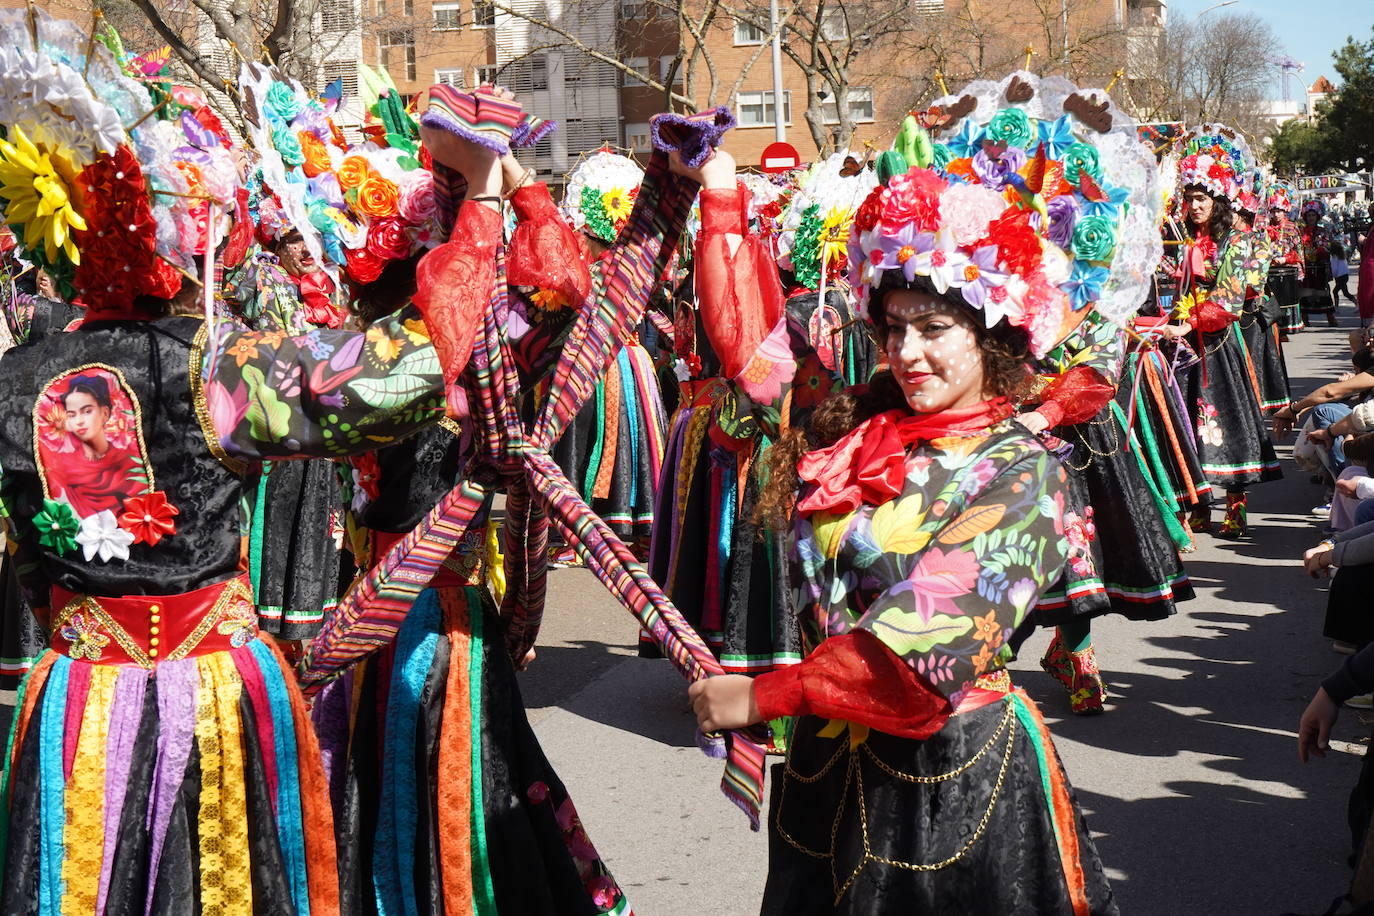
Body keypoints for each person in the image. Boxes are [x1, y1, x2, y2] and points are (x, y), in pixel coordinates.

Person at [687, 72, 1145, 913]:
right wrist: (717, 197)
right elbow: (749, 359)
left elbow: (933, 642)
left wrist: (763, 693)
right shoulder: (861, 428)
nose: (908, 352)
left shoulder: (1022, 468)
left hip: (953, 781)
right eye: (892, 328)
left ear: (992, 335)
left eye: (935, 330)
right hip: (830, 766)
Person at [1300, 199, 1337, 326]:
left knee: (1324, 292)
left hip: (1320, 267)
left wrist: (1322, 249)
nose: (1311, 218)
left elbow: (1328, 246)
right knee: (1304, 293)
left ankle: (1330, 317)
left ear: (1317, 216)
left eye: (1313, 215)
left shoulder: (1323, 231)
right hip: (1306, 268)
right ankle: (1304, 318)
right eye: (1309, 215)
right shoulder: (1301, 232)